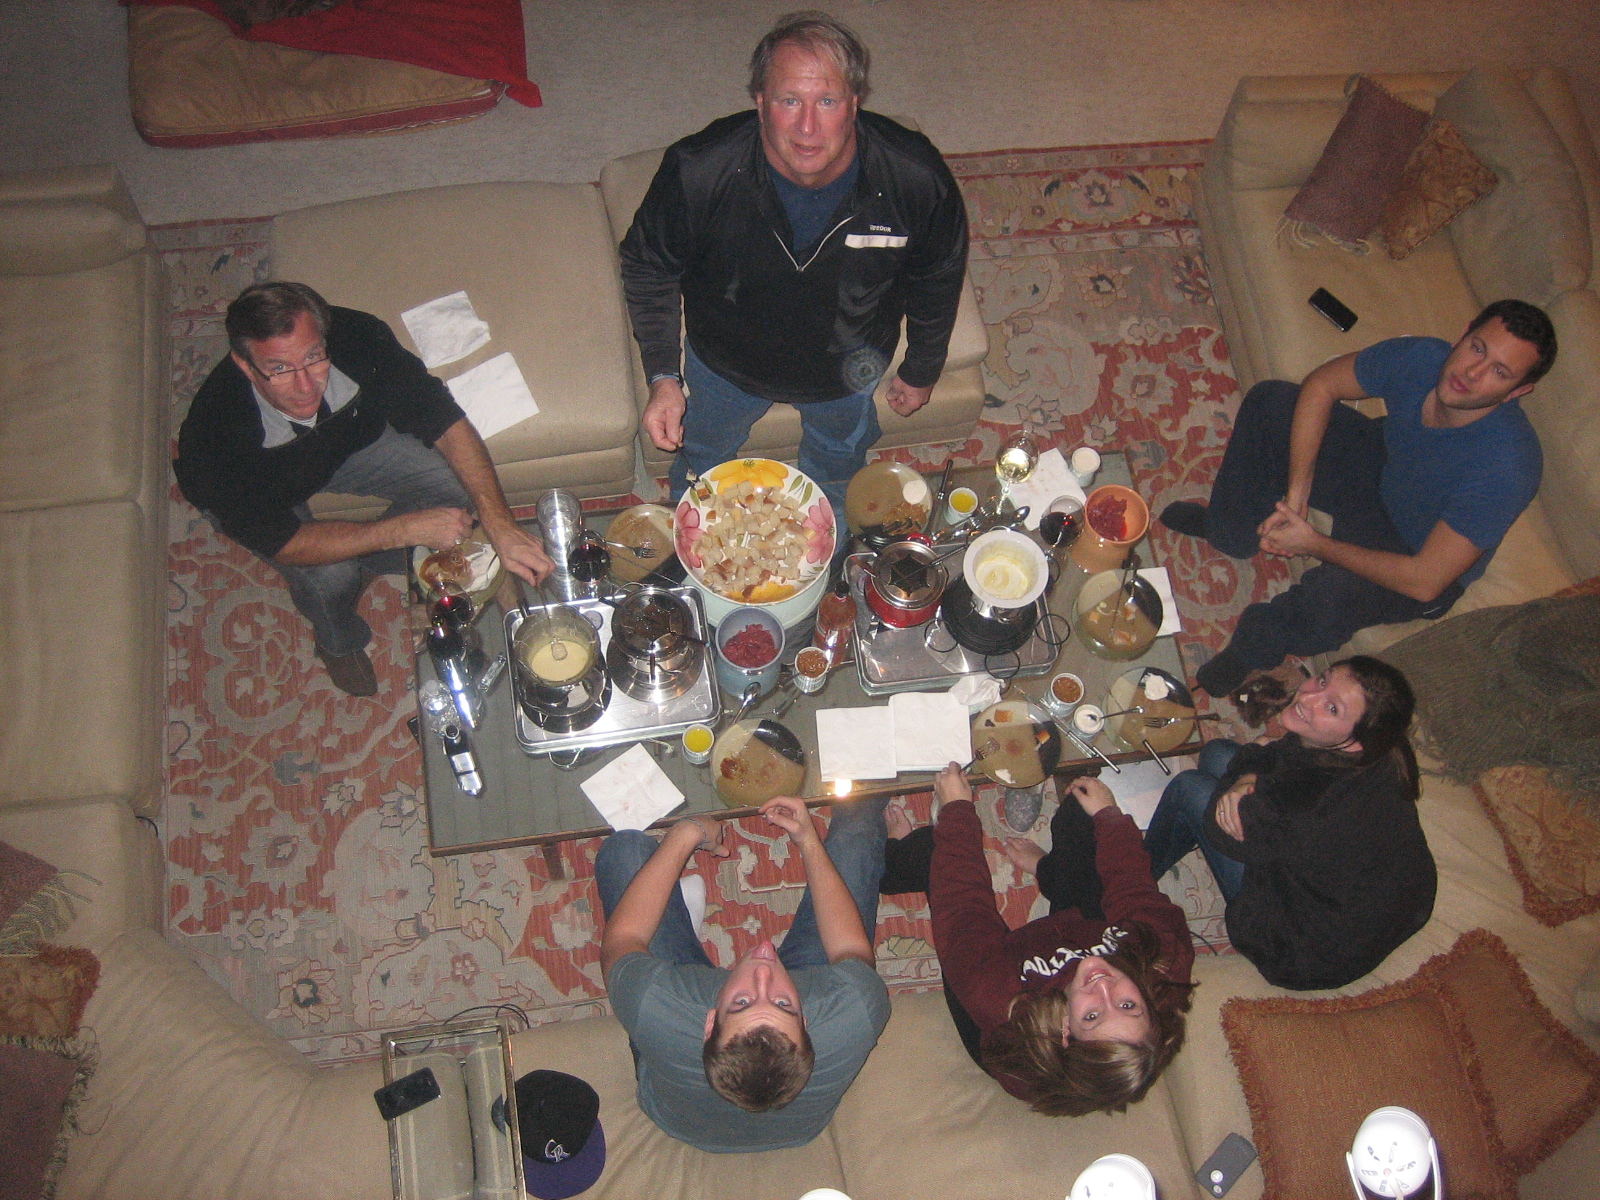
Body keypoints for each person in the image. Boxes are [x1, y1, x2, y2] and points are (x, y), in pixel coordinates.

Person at [619, 10, 969, 515]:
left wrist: (921, 369)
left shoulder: (914, 177)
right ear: (761, 103)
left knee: (837, 461)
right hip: (723, 362)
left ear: (854, 103)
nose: (808, 127)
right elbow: (648, 263)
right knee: (704, 453)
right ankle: (689, 516)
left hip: (848, 368)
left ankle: (826, 537)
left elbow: (938, 274)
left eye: (826, 101)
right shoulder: (698, 170)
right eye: (789, 100)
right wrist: (662, 377)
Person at [1161, 299, 1557, 699]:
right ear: (1465, 332)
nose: (1471, 373)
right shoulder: (1422, 357)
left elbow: (1425, 580)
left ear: (1517, 391)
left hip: (1417, 551)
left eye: (1499, 372)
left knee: (1331, 600)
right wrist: (1297, 495)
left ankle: (1249, 650)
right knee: (1271, 403)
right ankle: (1228, 531)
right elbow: (1322, 385)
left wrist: (1314, 543)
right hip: (1385, 468)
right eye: (1477, 347)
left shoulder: (1508, 467)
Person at [174, 282, 553, 696]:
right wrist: (404, 530)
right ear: (246, 366)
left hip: (345, 446)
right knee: (332, 577)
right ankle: (338, 641)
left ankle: (375, 562)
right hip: (266, 485)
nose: (305, 387)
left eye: (314, 358)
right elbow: (286, 543)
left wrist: (499, 523)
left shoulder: (355, 335)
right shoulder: (216, 437)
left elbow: (445, 421)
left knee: (449, 483)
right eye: (280, 369)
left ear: (324, 341)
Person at [879, 766, 1194, 1116]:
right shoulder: (1162, 959)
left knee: (932, 851)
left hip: (1008, 986)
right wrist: (1110, 817)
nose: (1103, 985)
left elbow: (963, 907)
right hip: (1077, 936)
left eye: (1092, 1015)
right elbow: (1134, 889)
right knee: (1082, 811)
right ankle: (1050, 872)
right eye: (1127, 1005)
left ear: (1064, 1032)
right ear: (1149, 1004)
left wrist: (956, 810)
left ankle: (897, 859)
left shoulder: (998, 1002)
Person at [596, 797, 890, 1153]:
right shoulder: (852, 1010)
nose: (764, 969)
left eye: (742, 1002)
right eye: (783, 1003)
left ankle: (675, 926)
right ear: (808, 1019)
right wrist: (807, 839)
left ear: (707, 1024)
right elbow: (850, 951)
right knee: (858, 825)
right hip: (798, 1129)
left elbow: (624, 941)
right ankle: (680, 931)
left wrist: (689, 832)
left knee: (625, 849)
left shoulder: (659, 1004)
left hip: (679, 1118)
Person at [1142, 656, 1435, 990]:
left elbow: (1220, 830)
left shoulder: (1302, 805)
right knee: (1219, 753)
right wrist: (1248, 770)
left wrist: (1248, 770)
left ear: (1355, 741)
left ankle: (1135, 872)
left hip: (1304, 948)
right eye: (1323, 681)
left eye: (1332, 708)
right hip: (1386, 900)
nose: (1307, 697)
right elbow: (1280, 754)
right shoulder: (1380, 747)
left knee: (1189, 789)